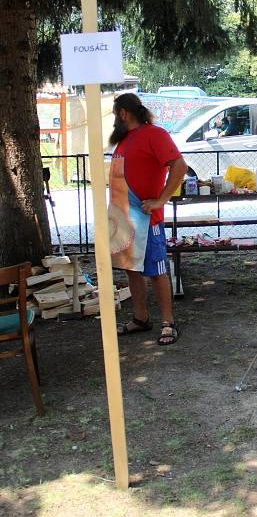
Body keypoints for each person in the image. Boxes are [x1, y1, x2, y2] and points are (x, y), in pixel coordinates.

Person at [108, 93, 188, 346]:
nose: (114, 119)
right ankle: (141, 318)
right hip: (124, 218)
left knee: (156, 270)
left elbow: (179, 166)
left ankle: (168, 322)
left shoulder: (155, 134)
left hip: (147, 218)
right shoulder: (124, 141)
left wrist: (161, 200)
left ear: (123, 113)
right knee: (131, 269)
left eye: (114, 114)